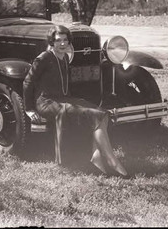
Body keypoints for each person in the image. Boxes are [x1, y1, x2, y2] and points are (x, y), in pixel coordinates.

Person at [23, 24, 128, 177]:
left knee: (102, 113)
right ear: (52, 42)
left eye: (65, 40)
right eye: (58, 40)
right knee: (94, 116)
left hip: (63, 99)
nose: (63, 44)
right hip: (46, 102)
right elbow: (27, 82)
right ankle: (111, 160)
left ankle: (97, 156)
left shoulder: (65, 57)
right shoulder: (44, 58)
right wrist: (29, 109)